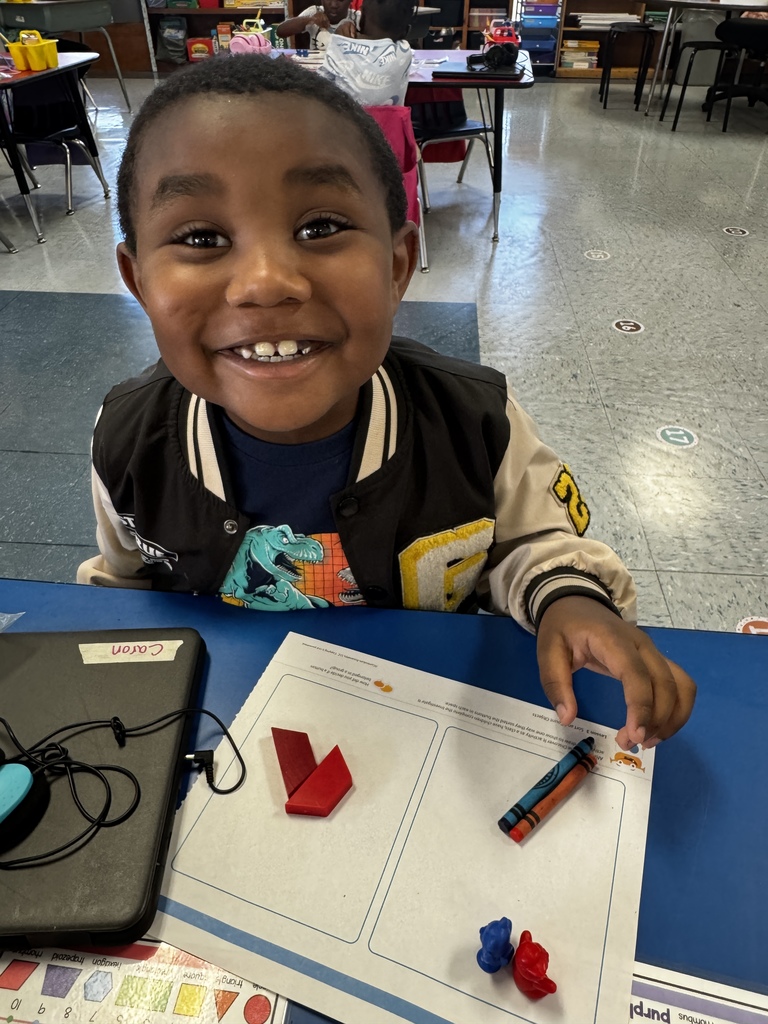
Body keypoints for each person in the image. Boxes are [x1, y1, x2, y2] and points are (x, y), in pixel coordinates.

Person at [77, 55, 695, 753]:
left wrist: (573, 602)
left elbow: (538, 545)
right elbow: (122, 587)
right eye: (201, 238)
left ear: (397, 264)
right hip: (224, 738)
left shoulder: (476, 420)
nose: (265, 283)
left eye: (319, 227)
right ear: (137, 279)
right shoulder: (128, 438)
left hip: (435, 736)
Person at [318, 0, 413, 106]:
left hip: (346, 116)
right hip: (391, 117)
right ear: (406, 31)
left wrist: (339, 36)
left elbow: (320, 88)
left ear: (361, 18)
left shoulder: (340, 44)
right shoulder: (405, 51)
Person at [275, 0, 358, 50]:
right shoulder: (314, 11)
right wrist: (310, 19)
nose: (333, 5)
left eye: (341, 0)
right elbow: (280, 31)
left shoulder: (357, 18)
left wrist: (356, 36)